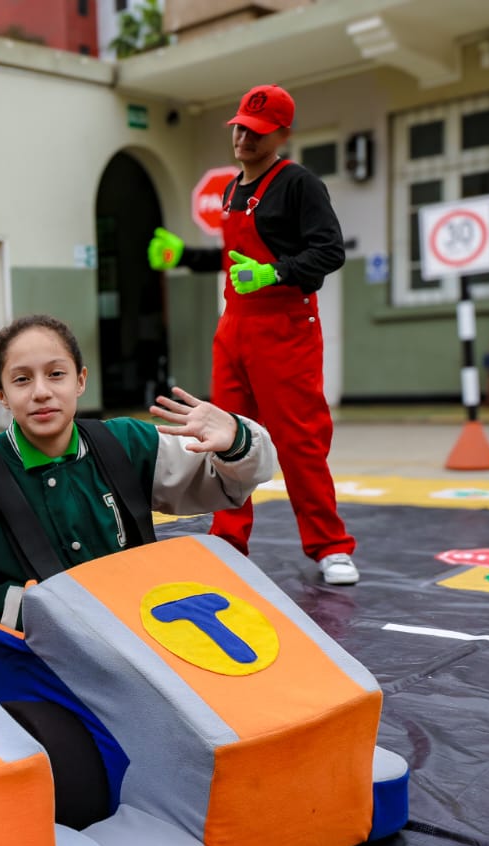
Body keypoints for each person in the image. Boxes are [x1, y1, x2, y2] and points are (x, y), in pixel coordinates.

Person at [0, 314, 276, 628]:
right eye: (21, 379)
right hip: (21, 663)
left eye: (56, 374)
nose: (41, 392)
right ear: (1, 394)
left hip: (137, 640)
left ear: (80, 380)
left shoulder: (126, 443)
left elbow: (229, 484)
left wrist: (237, 440)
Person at [147, 83, 356, 585]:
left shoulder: (300, 184)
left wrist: (276, 273)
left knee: (300, 440)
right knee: (225, 436)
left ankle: (330, 546)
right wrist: (187, 257)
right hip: (234, 328)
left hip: (285, 329)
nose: (243, 137)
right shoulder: (230, 189)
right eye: (239, 127)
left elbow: (330, 252)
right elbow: (232, 261)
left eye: (257, 132)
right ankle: (229, 538)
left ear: (282, 133)